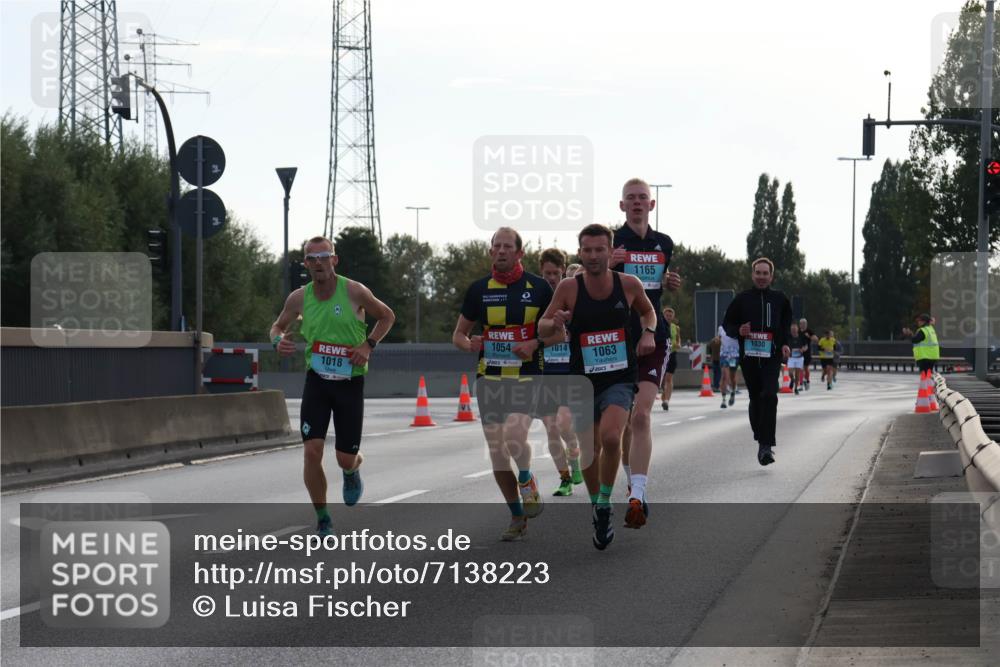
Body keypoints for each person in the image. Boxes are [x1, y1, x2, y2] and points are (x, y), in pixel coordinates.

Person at [539, 223, 656, 549]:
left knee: (610, 435)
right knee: (590, 448)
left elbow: (649, 312)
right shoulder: (568, 288)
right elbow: (543, 325)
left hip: (619, 376)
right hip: (583, 379)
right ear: (580, 252)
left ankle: (605, 497)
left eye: (599, 249)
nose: (593, 255)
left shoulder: (629, 284)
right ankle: (599, 506)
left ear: (610, 250)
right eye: (587, 250)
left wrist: (648, 332)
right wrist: (555, 322)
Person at [270, 236, 396, 536]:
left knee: (344, 457)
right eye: (311, 259)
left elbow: (387, 316)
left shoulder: (354, 291)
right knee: (312, 451)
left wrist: (368, 345)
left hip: (349, 382)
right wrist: (277, 340)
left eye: (323, 257)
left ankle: (352, 470)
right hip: (317, 380)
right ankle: (323, 516)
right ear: (305, 265)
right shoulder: (299, 298)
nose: (318, 264)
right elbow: (277, 326)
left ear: (334, 260)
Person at [452, 227, 555, 541]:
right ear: (490, 252)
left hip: (527, 374)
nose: (500, 251)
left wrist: (535, 343)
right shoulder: (479, 290)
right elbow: (458, 335)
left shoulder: (539, 288)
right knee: (498, 452)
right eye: (495, 246)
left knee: (513, 436)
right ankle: (516, 515)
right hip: (490, 377)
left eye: (507, 246)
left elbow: (560, 334)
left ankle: (526, 478)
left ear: (519, 253)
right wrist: (467, 344)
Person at [611, 178, 682, 528]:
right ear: (622, 206)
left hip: (654, 336)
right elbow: (593, 284)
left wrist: (669, 281)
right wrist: (608, 264)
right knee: (621, 422)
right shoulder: (612, 242)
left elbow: (658, 284)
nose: (637, 203)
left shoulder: (664, 243)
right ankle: (631, 480)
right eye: (631, 199)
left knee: (640, 416)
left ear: (651, 205)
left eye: (643, 198)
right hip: (617, 339)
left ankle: (638, 493)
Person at [722, 258, 792, 466]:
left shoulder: (780, 299)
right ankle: (760, 436)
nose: (761, 277)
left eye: (765, 273)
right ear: (753, 275)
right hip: (750, 358)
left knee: (770, 395)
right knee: (756, 398)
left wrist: (786, 344)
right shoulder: (743, 299)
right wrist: (738, 330)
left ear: (771, 276)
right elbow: (728, 324)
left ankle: (766, 446)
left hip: (772, 357)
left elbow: (786, 325)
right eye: (758, 273)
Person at [538, 248, 583, 496]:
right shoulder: (536, 301)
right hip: (545, 373)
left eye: (556, 273)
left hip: (569, 372)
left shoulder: (573, 297)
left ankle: (575, 456)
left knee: (564, 423)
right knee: (550, 427)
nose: (551, 278)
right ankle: (565, 479)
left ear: (563, 272)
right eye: (547, 273)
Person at [660, 307, 681, 411]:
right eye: (666, 315)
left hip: (672, 354)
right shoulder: (659, 326)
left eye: (670, 315)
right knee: (663, 380)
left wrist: (678, 344)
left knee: (669, 378)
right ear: (663, 316)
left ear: (673, 317)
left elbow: (678, 340)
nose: (668, 317)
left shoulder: (675, 327)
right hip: (662, 354)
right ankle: (664, 397)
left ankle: (667, 401)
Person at [719, 325, 740, 407]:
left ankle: (733, 392)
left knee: (732, 377)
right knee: (724, 376)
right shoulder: (721, 328)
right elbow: (720, 339)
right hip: (724, 355)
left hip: (734, 356)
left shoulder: (737, 327)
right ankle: (723, 400)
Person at [787, 322, 808, 394]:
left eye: (794, 329)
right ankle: (792, 380)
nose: (793, 331)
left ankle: (795, 388)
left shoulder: (802, 336)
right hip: (791, 358)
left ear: (797, 329)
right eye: (792, 329)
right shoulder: (788, 336)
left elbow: (806, 346)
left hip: (799, 358)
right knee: (790, 373)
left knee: (797, 374)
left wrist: (803, 349)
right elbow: (785, 346)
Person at [798, 318, 816, 390]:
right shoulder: (798, 332)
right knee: (800, 368)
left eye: (804, 323)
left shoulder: (809, 331)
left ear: (806, 324)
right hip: (799, 352)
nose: (803, 325)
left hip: (807, 352)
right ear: (799, 324)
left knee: (806, 368)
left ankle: (807, 381)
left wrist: (809, 336)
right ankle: (801, 384)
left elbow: (816, 339)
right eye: (801, 323)